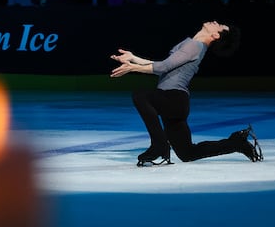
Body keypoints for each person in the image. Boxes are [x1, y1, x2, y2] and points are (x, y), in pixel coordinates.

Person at [110, 21, 263, 166]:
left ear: (216, 36)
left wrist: (132, 67)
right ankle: (236, 143)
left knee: (140, 95)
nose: (214, 22)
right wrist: (133, 59)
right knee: (188, 153)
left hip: (173, 98)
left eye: (218, 25)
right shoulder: (193, 44)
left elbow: (163, 67)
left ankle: (158, 145)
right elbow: (166, 67)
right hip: (174, 102)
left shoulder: (195, 45)